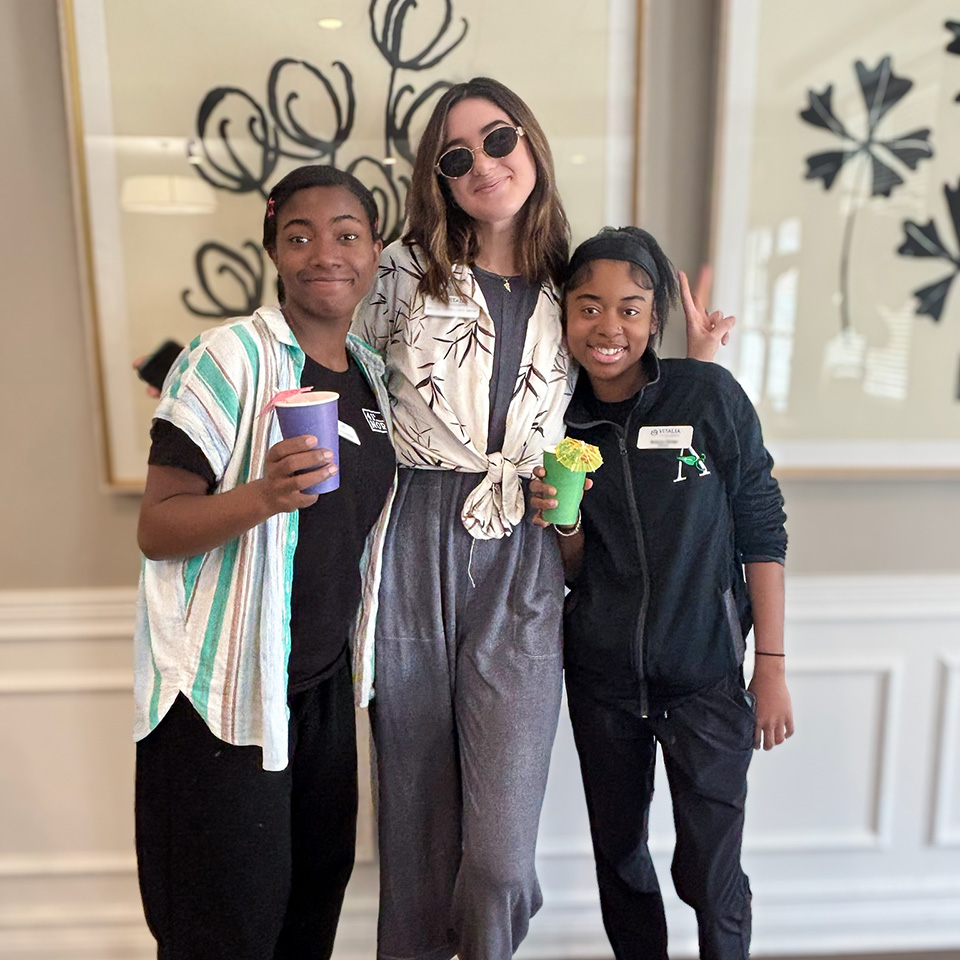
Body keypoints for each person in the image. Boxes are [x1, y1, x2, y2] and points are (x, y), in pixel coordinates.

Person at [351, 78, 732, 960]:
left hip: (527, 551)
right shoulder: (404, 269)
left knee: (496, 856)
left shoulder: (576, 284)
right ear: (438, 180)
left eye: (497, 139)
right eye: (456, 157)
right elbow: (336, 361)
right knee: (413, 835)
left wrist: (699, 368)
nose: (482, 164)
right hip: (412, 538)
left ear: (531, 144)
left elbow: (626, 402)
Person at [133, 165, 396, 960]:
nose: (326, 253)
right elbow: (157, 526)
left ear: (374, 251)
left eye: (347, 234)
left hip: (318, 691)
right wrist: (263, 496)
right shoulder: (228, 360)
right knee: (223, 929)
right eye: (301, 236)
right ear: (275, 252)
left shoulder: (371, 378)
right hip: (221, 694)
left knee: (310, 909)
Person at [530, 226, 794, 960]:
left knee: (709, 872)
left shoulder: (706, 395)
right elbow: (576, 568)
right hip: (602, 684)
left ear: (654, 319)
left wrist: (768, 666)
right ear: (565, 316)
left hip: (706, 681)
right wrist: (563, 520)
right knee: (620, 863)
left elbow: (761, 532)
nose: (608, 327)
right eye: (588, 308)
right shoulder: (557, 418)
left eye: (629, 308)